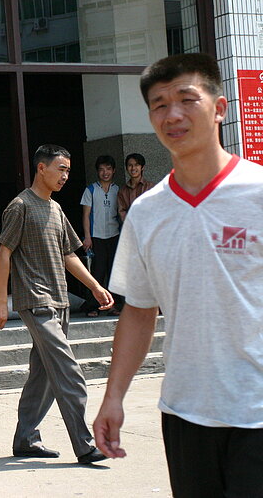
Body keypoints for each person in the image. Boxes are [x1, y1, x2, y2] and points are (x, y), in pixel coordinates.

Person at [93, 53, 263, 496]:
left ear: (220, 107)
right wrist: (113, 397)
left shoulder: (257, 194)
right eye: (159, 104)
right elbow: (138, 312)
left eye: (188, 100)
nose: (173, 115)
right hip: (185, 413)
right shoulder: (148, 212)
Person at [0, 144, 113, 464]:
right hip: (35, 301)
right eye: (61, 169)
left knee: (42, 375)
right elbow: (4, 253)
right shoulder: (20, 206)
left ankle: (26, 439)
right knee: (67, 370)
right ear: (41, 168)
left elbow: (69, 254)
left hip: (60, 301)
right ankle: (85, 444)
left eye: (69, 171)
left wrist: (96, 287)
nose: (65, 176)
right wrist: (2, 302)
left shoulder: (56, 209)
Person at [80, 155, 121, 317]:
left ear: (114, 171)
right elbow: (86, 215)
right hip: (96, 237)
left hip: (114, 235)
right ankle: (93, 306)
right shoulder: (90, 189)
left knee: (113, 272)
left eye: (108, 169)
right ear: (97, 171)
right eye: (102, 169)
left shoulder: (118, 190)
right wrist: (87, 237)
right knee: (97, 272)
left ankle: (113, 306)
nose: (105, 173)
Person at [117, 153, 155, 222]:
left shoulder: (151, 187)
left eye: (136, 165)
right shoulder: (122, 191)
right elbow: (121, 211)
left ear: (142, 167)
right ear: (126, 168)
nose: (133, 168)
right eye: (130, 165)